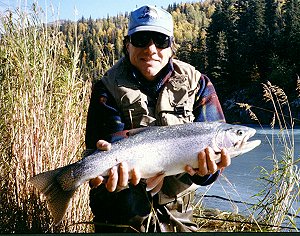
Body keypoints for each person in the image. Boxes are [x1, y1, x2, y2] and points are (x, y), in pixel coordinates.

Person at [85, 5, 231, 233]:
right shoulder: (107, 88)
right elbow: (102, 150)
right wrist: (103, 176)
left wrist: (208, 172)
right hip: (119, 212)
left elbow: (212, 168)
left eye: (161, 40)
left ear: (172, 46)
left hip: (177, 213)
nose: (151, 49)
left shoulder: (198, 84)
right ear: (128, 44)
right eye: (141, 39)